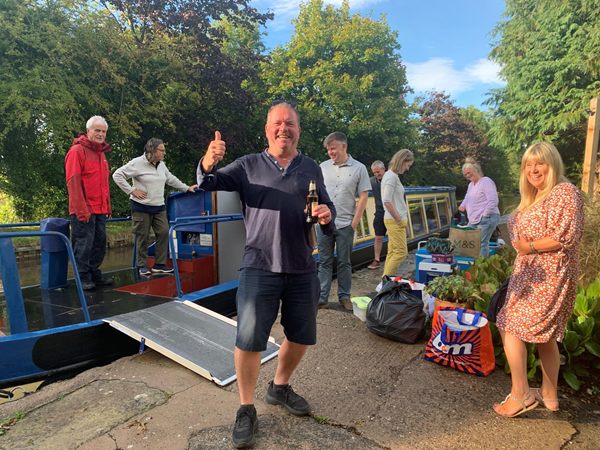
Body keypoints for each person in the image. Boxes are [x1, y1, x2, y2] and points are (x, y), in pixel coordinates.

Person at [196, 101, 335, 448]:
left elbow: (328, 206)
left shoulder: (311, 168)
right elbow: (209, 183)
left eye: (290, 123)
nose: (283, 128)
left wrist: (326, 214)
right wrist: (207, 161)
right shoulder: (247, 166)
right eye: (277, 123)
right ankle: (246, 408)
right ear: (267, 130)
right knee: (249, 338)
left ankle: (279, 386)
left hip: (302, 264)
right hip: (259, 263)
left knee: (302, 335)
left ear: (298, 130)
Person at [494, 142, 584, 418]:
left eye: (539, 163)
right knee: (545, 336)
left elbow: (565, 236)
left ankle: (520, 393)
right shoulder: (533, 198)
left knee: (508, 324)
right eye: (528, 165)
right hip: (529, 275)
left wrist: (528, 248)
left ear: (552, 164)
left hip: (548, 275)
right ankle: (549, 394)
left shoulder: (564, 192)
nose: (533, 169)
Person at [113, 138, 198, 276]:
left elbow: (170, 179)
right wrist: (131, 190)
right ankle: (142, 266)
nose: (164, 153)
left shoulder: (161, 165)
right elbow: (117, 175)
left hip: (158, 206)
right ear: (152, 150)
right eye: (162, 150)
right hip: (141, 206)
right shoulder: (137, 163)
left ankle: (159, 264)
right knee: (143, 236)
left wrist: (186, 188)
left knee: (164, 232)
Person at [317, 132, 371, 310]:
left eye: (333, 148)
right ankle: (322, 298)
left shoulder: (359, 168)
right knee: (324, 261)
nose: (330, 152)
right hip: (323, 224)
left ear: (343, 146)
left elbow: (364, 196)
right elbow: (314, 193)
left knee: (344, 262)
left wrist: (354, 224)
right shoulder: (322, 167)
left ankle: (344, 296)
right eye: (328, 150)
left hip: (346, 223)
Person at [65, 115, 114, 290]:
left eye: (103, 131)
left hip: (99, 208)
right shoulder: (77, 151)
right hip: (84, 209)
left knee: (99, 243)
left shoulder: (101, 154)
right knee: (83, 244)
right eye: (97, 130)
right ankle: (82, 277)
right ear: (88, 131)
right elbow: (73, 182)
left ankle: (94, 273)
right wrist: (81, 209)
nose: (101, 134)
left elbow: (103, 184)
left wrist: (107, 206)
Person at [458, 157, 501, 257]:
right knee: (468, 239)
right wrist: (463, 205)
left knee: (481, 243)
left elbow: (493, 200)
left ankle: (482, 267)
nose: (468, 175)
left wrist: (485, 214)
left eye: (469, 172)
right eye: (466, 174)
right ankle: (473, 263)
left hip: (487, 217)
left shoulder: (486, 181)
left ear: (476, 170)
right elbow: (467, 197)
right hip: (474, 219)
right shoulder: (471, 185)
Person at [381, 149, 414, 278]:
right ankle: (386, 281)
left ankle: (385, 281)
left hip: (393, 220)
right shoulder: (391, 177)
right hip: (394, 221)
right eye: (408, 165)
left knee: (392, 252)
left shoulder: (392, 176)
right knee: (401, 252)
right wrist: (398, 219)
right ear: (402, 161)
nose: (407, 169)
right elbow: (387, 200)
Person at [367, 160, 387, 269]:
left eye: (378, 172)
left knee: (393, 237)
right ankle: (377, 260)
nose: (376, 175)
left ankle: (393, 258)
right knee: (378, 237)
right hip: (380, 212)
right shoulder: (372, 181)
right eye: (374, 173)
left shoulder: (391, 179)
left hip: (392, 211)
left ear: (384, 169)